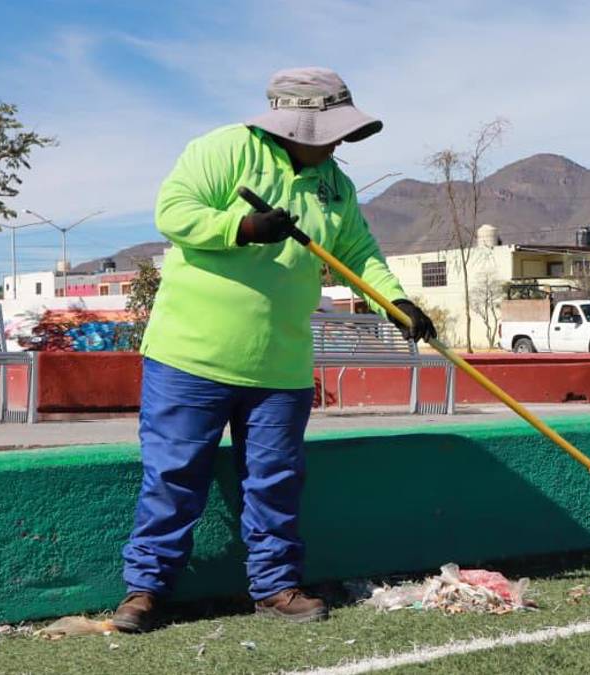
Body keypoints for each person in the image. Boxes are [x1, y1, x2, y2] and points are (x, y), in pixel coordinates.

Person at [112, 67, 437, 632]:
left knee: (276, 478)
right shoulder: (221, 150)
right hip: (191, 356)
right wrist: (242, 227)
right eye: (330, 131)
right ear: (297, 126)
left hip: (281, 364)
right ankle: (145, 590)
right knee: (173, 475)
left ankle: (276, 586)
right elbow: (174, 211)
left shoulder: (335, 184)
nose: (338, 142)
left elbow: (358, 251)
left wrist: (396, 300)